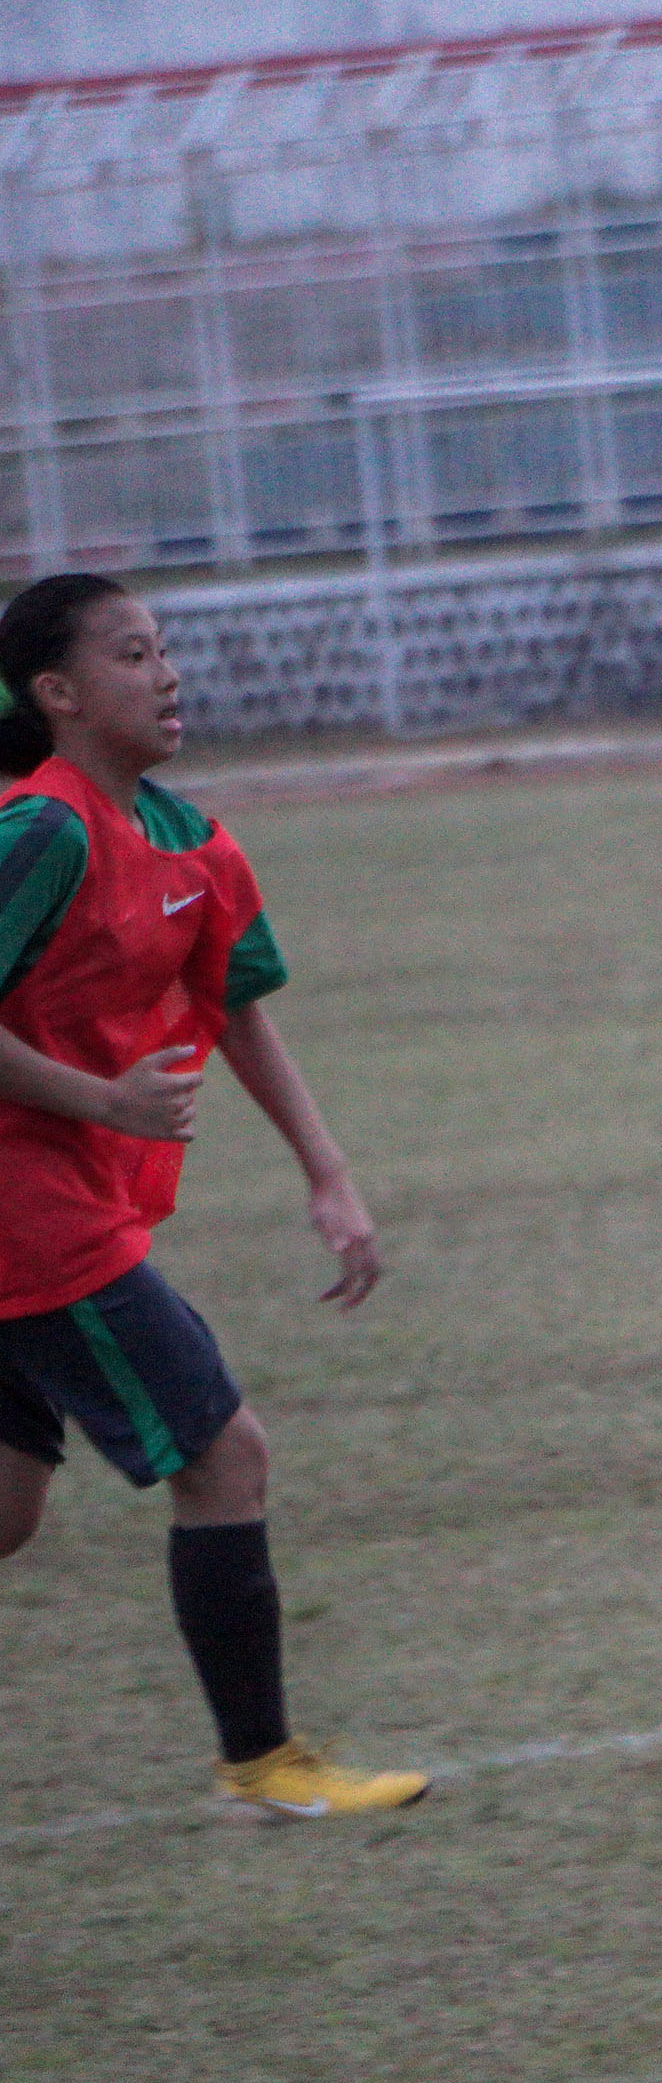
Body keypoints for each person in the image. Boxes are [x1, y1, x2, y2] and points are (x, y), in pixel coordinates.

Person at [0, 575, 417, 1819]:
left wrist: (327, 1173)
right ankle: (266, 1762)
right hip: (32, 1214)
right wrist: (101, 1099)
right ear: (58, 696)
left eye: (166, 648)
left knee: (6, 1513)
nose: (168, 672)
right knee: (225, 1454)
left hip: (71, 1199)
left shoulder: (190, 840)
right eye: (133, 655)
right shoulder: (42, 832)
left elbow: (235, 1002)